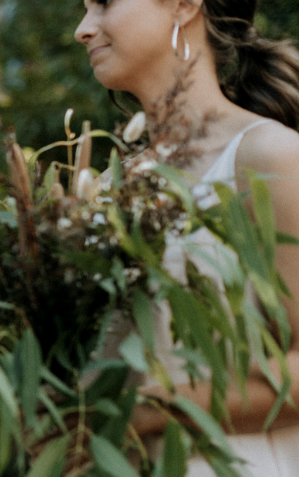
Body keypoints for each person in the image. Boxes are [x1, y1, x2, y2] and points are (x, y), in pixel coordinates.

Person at [75, 0, 299, 474]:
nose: (83, 29)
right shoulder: (109, 185)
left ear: (182, 5)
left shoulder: (270, 158)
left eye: (104, 4)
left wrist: (148, 411)